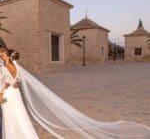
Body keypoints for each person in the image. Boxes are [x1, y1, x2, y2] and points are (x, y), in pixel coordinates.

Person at [0, 40, 150, 139]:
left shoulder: (6, 66)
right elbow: (16, 81)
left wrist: (2, 92)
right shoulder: (15, 66)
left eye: (2, 53)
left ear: (7, 55)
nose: (0, 54)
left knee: (13, 116)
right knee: (17, 116)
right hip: (14, 94)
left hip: (8, 96)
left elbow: (7, 81)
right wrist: (9, 84)